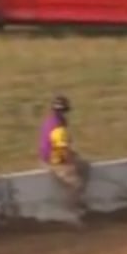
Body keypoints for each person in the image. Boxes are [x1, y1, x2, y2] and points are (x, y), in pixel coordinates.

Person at [38, 95, 88, 225]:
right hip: (53, 159)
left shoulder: (50, 121)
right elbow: (61, 152)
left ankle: (77, 202)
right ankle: (69, 212)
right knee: (76, 183)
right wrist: (70, 164)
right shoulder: (58, 128)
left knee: (84, 166)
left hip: (50, 155)